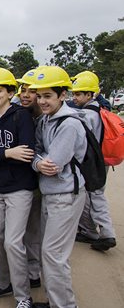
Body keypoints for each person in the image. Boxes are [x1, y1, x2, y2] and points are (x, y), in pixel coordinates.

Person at [0, 68, 37, 308]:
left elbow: (26, 151)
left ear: (10, 92)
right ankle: (2, 283)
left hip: (19, 188)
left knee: (13, 242)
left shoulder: (21, 116)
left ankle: (24, 297)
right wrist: (6, 152)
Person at [29, 66, 87, 308]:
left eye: (48, 96)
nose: (42, 101)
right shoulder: (45, 120)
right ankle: (56, 302)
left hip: (65, 196)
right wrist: (38, 162)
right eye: (39, 96)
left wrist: (38, 161)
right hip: (51, 193)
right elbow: (38, 154)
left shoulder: (70, 125)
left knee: (54, 255)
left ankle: (64, 305)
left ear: (63, 95)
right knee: (49, 252)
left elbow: (53, 164)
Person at [71, 71, 116, 251]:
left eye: (79, 94)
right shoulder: (100, 110)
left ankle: (107, 233)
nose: (75, 97)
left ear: (90, 95)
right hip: (101, 160)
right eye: (74, 93)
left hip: (92, 162)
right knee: (93, 196)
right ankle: (90, 230)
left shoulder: (88, 115)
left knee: (95, 196)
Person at [17, 68, 44, 288]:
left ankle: (33, 273)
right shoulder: (20, 114)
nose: (25, 95)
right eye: (23, 90)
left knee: (34, 230)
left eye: (31, 91)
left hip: (41, 184)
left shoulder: (46, 118)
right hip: (20, 182)